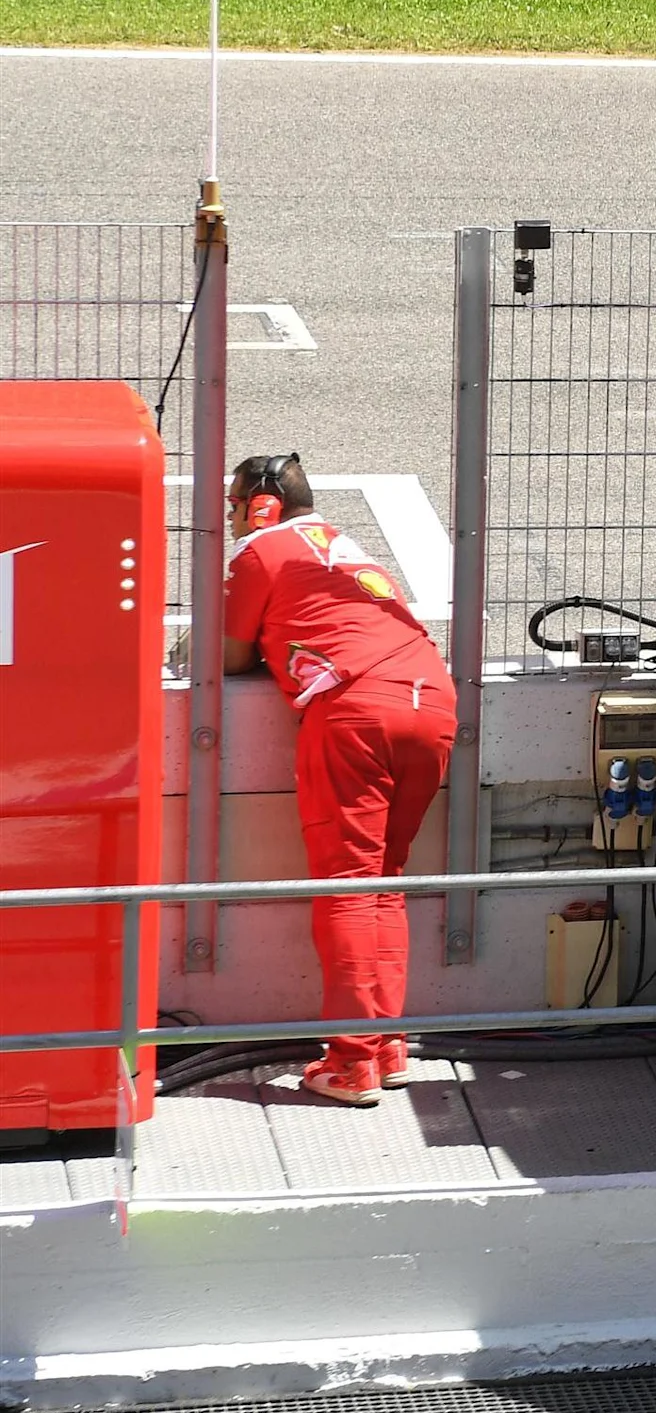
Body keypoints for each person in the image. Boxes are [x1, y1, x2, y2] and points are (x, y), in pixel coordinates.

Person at [218, 451, 458, 1109]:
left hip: (357, 708)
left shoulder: (261, 549)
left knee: (348, 885)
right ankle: (387, 1047)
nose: (235, 517)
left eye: (237, 503)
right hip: (430, 699)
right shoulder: (346, 542)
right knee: (384, 881)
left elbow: (228, 658)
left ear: (259, 504)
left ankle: (352, 1064)